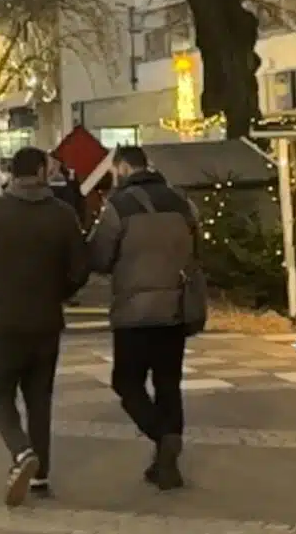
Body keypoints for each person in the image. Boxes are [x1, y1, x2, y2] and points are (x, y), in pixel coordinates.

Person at [0, 146, 89, 507]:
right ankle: (41, 474)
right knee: (39, 396)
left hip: (2, 319)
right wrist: (58, 292)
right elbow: (80, 268)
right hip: (46, 320)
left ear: (10, 174)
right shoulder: (62, 215)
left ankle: (21, 452)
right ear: (43, 172)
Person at [86, 144, 204, 491]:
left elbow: (99, 256)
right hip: (175, 310)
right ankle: (167, 459)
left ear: (122, 168)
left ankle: (162, 437)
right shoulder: (183, 203)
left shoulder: (117, 208)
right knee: (168, 383)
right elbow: (197, 253)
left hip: (133, 314)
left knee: (127, 382)